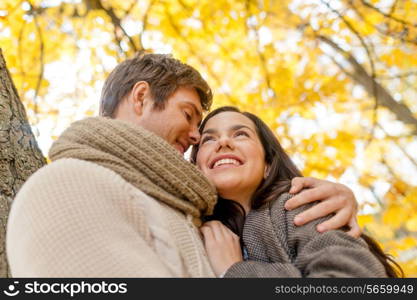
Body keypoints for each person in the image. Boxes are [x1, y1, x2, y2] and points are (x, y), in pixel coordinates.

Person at [7, 53, 358, 277]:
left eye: (241, 135)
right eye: (191, 118)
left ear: (270, 163)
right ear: (142, 98)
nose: (195, 136)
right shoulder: (70, 185)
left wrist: (339, 199)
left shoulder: (202, 218)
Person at [191, 106, 403, 278]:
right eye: (208, 139)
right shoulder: (194, 224)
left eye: (240, 134)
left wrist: (235, 271)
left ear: (268, 165)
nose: (223, 142)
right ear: (196, 164)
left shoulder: (298, 206)